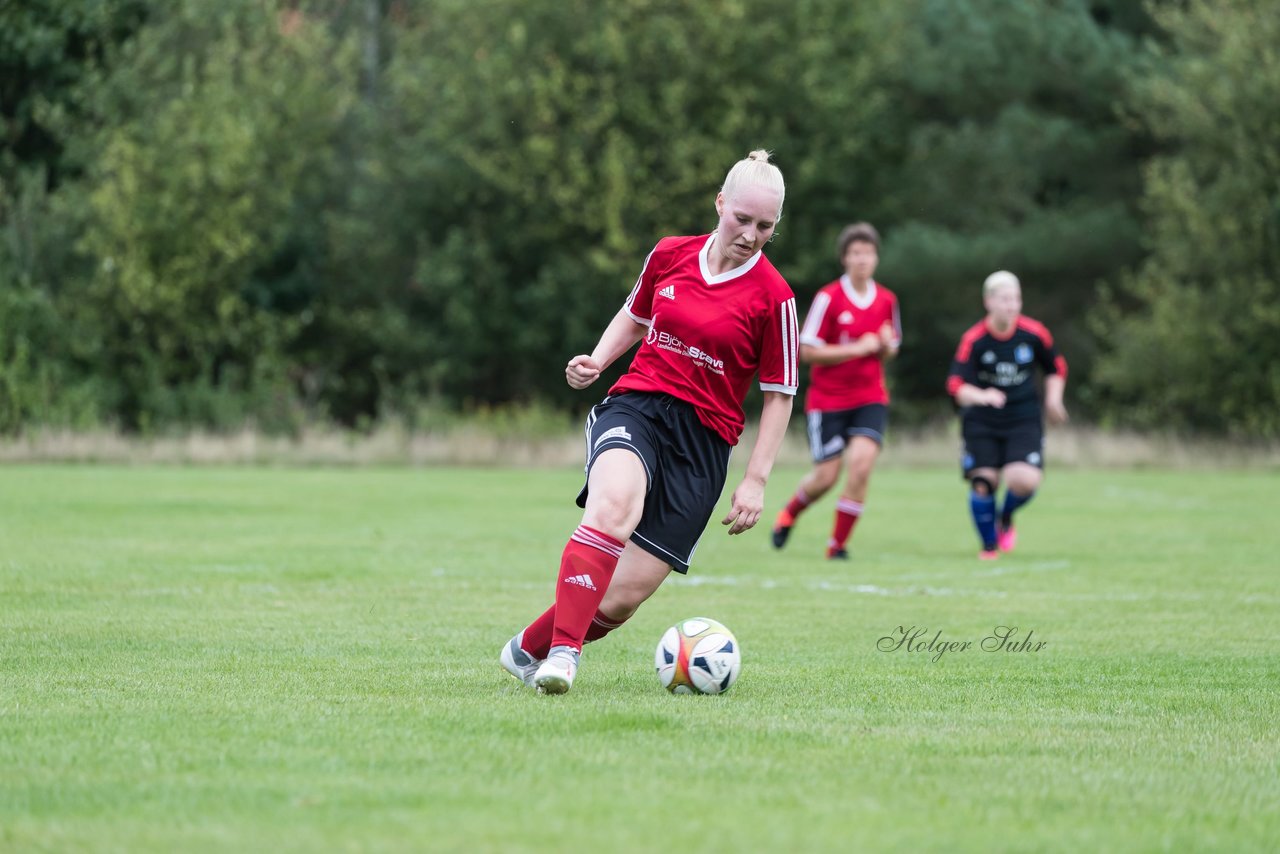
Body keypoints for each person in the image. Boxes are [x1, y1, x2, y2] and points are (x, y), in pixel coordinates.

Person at [500, 149, 799, 694]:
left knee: (621, 597)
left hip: (703, 446)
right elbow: (636, 316)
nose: (751, 234)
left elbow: (779, 396)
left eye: (765, 226)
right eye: (742, 219)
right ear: (719, 204)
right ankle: (563, 657)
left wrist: (755, 480)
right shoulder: (670, 254)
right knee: (615, 506)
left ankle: (528, 648)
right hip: (638, 406)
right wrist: (597, 360)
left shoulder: (775, 298)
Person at [769, 223, 901, 559]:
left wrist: (885, 346)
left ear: (876, 258)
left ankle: (837, 546)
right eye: (855, 253)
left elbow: (890, 348)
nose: (862, 259)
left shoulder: (887, 299)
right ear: (844, 258)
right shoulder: (829, 297)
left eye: (868, 253)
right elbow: (807, 351)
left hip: (870, 396)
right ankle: (789, 514)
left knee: (860, 465)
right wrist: (857, 348)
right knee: (826, 477)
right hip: (828, 401)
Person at [946, 270, 1068, 559]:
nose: (1011, 305)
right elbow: (955, 386)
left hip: (1023, 418)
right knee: (984, 482)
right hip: (982, 420)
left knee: (1025, 481)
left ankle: (1005, 518)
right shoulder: (974, 340)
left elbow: (1056, 368)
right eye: (1004, 299)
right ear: (988, 302)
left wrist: (1053, 400)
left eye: (1016, 299)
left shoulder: (1034, 333)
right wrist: (982, 396)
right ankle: (989, 547)